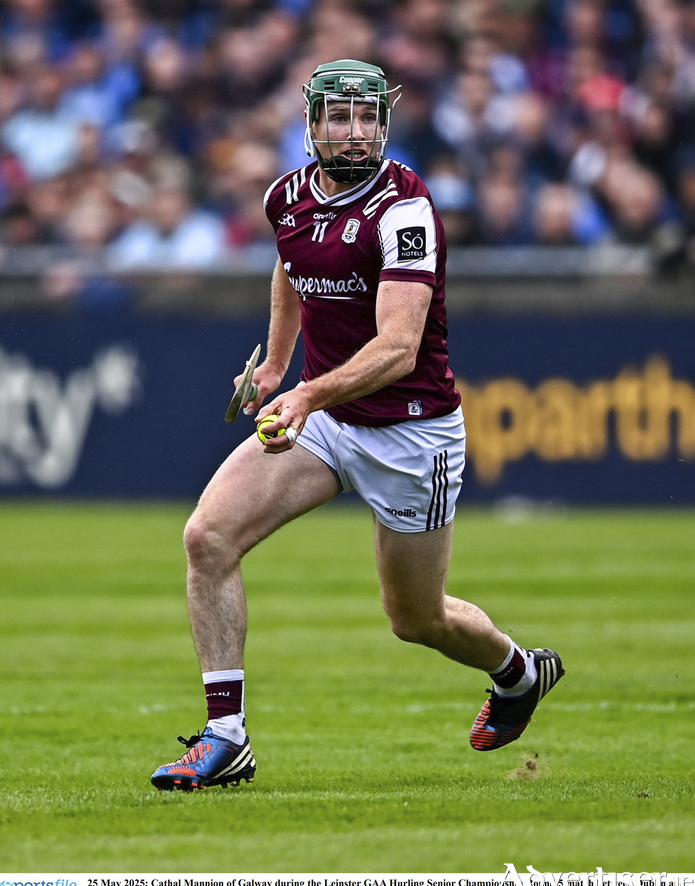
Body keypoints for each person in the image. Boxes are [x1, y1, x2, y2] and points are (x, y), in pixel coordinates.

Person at [150, 59, 565, 792]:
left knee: (416, 617)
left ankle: (518, 672)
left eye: (368, 116)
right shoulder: (288, 195)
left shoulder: (406, 209)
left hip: (412, 432)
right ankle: (225, 735)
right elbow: (290, 267)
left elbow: (399, 348)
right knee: (206, 537)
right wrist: (278, 366)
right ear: (310, 126)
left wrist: (305, 393)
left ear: (385, 123)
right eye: (339, 116)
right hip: (329, 417)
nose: (355, 131)